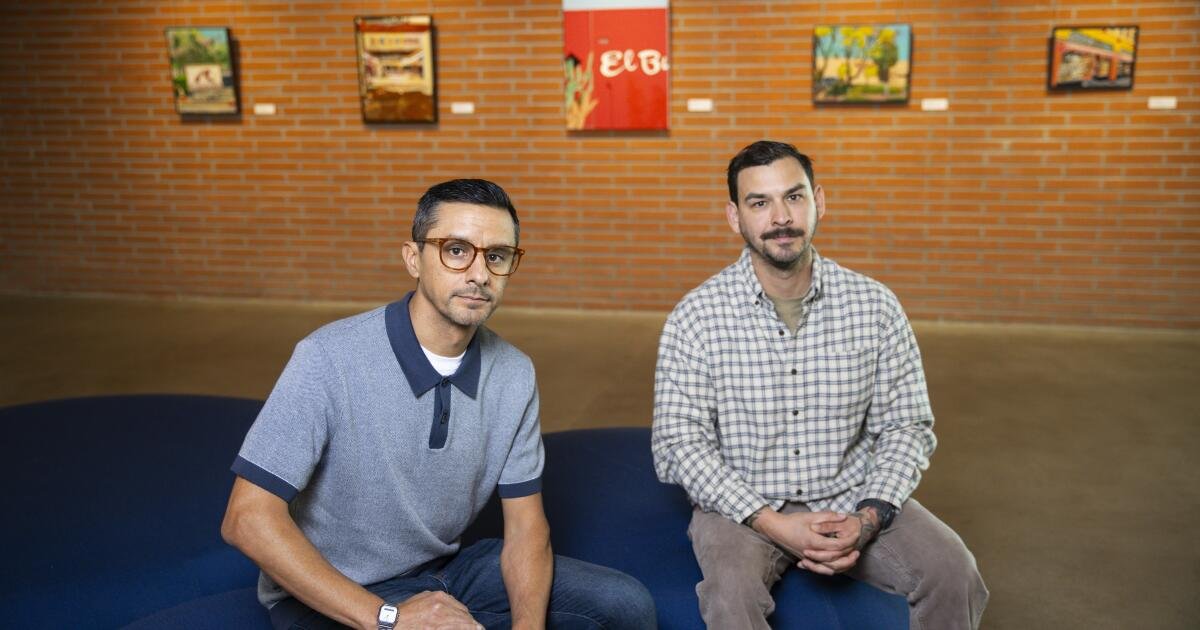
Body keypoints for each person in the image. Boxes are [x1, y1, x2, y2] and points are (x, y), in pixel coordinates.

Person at [223, 179, 656, 630]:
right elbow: (246, 519)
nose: (479, 274)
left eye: (496, 256)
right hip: (332, 593)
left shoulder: (514, 373)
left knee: (627, 605)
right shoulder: (328, 357)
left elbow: (526, 529)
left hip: (446, 572)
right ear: (413, 258)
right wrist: (389, 617)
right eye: (456, 250)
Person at [651, 141, 987, 629]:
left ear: (819, 201)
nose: (781, 217)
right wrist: (770, 522)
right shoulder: (695, 318)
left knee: (954, 573)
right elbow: (679, 444)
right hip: (743, 503)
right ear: (734, 216)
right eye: (759, 202)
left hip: (850, 493)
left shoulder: (874, 306)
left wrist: (868, 517)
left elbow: (907, 425)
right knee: (731, 597)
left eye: (794, 196)